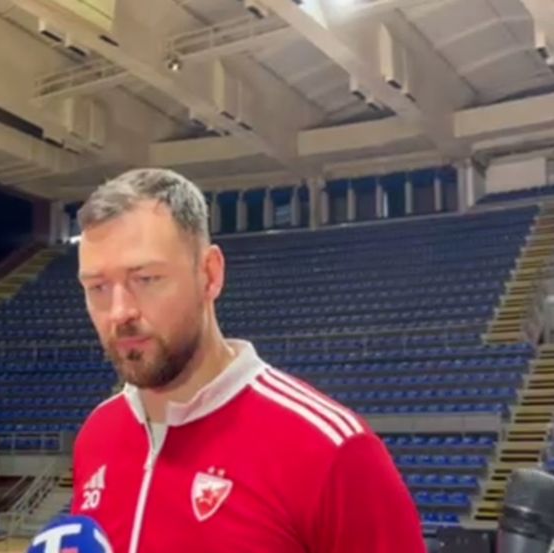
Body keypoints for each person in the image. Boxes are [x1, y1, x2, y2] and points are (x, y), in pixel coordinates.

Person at [70, 168, 425, 553]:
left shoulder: (331, 450)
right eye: (97, 287)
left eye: (146, 279)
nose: (119, 311)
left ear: (210, 274)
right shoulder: (98, 434)